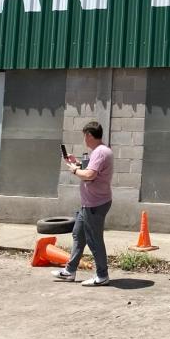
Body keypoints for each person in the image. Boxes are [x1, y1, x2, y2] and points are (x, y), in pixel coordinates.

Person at [51, 121, 114, 286]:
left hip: (95, 204)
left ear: (89, 135)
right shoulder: (99, 151)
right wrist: (77, 162)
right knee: (78, 235)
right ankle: (69, 271)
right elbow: (91, 169)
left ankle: (102, 276)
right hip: (89, 204)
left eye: (84, 136)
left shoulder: (100, 152)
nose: (84, 140)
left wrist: (74, 170)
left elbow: (90, 175)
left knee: (94, 240)